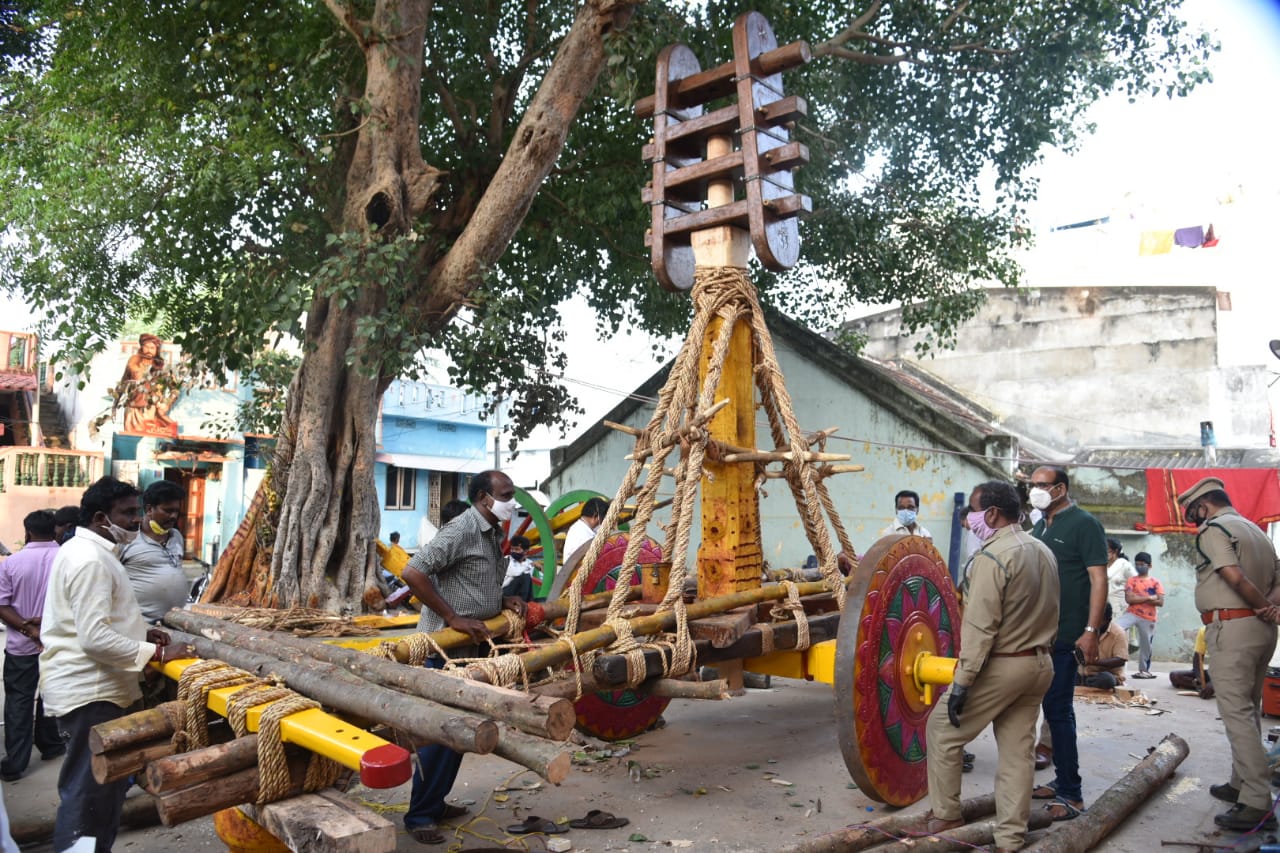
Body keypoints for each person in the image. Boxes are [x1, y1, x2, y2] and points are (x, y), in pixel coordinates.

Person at [40, 476, 195, 853]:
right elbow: (94, 638)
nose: (134, 521)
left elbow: (100, 620)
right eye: (127, 513)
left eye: (136, 511)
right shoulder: (89, 560)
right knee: (88, 796)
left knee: (102, 794)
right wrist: (157, 654)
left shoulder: (95, 553)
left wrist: (141, 631)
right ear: (98, 517)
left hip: (98, 689)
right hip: (90, 693)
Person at [924, 480, 1059, 853]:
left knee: (942, 730)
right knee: (1018, 754)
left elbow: (980, 628)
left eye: (972, 510)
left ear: (993, 514)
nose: (968, 518)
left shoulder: (992, 557)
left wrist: (963, 682)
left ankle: (947, 815)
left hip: (1003, 664)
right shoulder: (1042, 550)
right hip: (1039, 664)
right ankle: (1010, 840)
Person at [399, 470, 526, 845]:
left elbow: (473, 580)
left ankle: (434, 803)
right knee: (440, 734)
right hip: (444, 648)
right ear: (485, 497)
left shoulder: (490, 534)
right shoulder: (462, 529)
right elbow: (413, 571)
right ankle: (420, 814)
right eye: (506, 495)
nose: (512, 502)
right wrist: (453, 617)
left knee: (460, 733)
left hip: (470, 650)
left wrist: (501, 601)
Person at [1178, 476, 1280, 831]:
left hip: (1233, 628)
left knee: (1236, 714)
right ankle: (1240, 783)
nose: (1194, 518)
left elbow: (1233, 577)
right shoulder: (1257, 531)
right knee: (1249, 710)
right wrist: (1269, 609)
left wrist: (1259, 606)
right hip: (1261, 630)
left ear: (1203, 505)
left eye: (1194, 512)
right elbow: (1279, 579)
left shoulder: (1214, 530)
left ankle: (1256, 802)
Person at [1028, 465, 1107, 822]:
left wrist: (1090, 630)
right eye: (1032, 486)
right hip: (1038, 633)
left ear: (1060, 488)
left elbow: (1098, 579)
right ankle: (1061, 780)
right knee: (1052, 709)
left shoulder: (1084, 524)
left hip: (1065, 634)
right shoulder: (1042, 524)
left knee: (1059, 711)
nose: (1035, 491)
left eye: (1042, 485)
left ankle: (1071, 793)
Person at [0, 510, 64, 781]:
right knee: (51, 696)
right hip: (59, 645)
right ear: (55, 530)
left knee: (19, 702)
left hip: (21, 646)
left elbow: (2, 605)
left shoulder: (11, 563)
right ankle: (50, 745)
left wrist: (28, 629)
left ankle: (16, 762)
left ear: (27, 532)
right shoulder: (67, 559)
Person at [1033, 603, 1128, 768]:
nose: (1094, 626)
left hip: (1101, 673)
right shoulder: (1078, 625)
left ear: (1108, 620)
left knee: (1104, 681)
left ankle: (1048, 746)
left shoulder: (1117, 633)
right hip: (1079, 669)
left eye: (1099, 622)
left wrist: (1096, 662)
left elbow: (1121, 658)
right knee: (1059, 693)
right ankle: (1054, 746)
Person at [117, 480, 188, 624]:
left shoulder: (176, 536)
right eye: (168, 511)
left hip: (175, 622)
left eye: (177, 511)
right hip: (141, 625)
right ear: (149, 509)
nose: (174, 516)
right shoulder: (128, 539)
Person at [1114, 551, 1163, 679]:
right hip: (1132, 614)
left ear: (1150, 566)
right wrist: (1149, 598)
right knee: (1115, 629)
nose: (1139, 566)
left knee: (1146, 644)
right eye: (1137, 564)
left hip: (1148, 617)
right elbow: (1129, 600)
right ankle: (1114, 663)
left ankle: (1144, 671)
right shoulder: (1131, 580)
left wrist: (1139, 597)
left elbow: (1160, 601)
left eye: (1142, 564)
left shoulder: (1155, 582)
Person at [114, 334, 176, 433]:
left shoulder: (162, 367)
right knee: (130, 438)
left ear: (157, 350)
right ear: (141, 347)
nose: (149, 350)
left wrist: (166, 405)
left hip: (150, 410)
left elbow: (175, 390)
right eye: (146, 347)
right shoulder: (133, 362)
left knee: (148, 439)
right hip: (131, 409)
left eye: (152, 348)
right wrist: (114, 406)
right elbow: (123, 382)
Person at [1168, 626, 1212, 699]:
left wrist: (1214, 683)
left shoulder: (1231, 631)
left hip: (1230, 674)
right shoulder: (1204, 631)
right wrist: (1200, 680)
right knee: (1175, 676)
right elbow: (1197, 660)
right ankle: (1206, 687)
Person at [563, 497, 608, 564]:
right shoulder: (581, 534)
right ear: (596, 516)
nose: (602, 522)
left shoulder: (583, 528)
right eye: (603, 519)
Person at [1104, 538, 1136, 623]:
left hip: (1119, 605)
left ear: (1115, 551)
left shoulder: (1124, 564)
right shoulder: (1103, 565)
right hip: (1104, 605)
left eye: (1107, 550)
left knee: (1118, 631)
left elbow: (1136, 581)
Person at [502, 535, 536, 602]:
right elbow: (515, 573)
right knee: (525, 576)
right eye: (512, 549)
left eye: (517, 549)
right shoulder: (507, 559)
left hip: (520, 593)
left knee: (528, 578)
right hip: (505, 593)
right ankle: (523, 602)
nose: (513, 551)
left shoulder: (529, 563)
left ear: (525, 551)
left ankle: (528, 602)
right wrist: (530, 565)